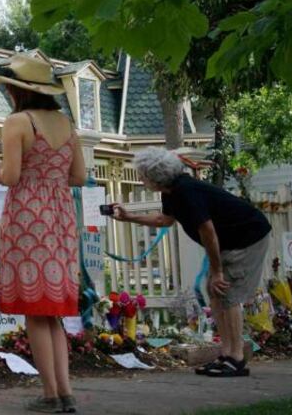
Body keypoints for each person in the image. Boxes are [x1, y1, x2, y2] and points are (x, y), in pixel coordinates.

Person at [112, 147, 271, 378]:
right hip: (231, 240)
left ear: (155, 176)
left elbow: (208, 231)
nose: (140, 179)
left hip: (248, 236)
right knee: (215, 292)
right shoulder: (171, 191)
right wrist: (129, 217)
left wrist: (217, 271)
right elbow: (164, 220)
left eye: (142, 174)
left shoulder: (186, 191)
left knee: (228, 292)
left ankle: (236, 358)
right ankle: (226, 354)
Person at [0, 54, 86, 414]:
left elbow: (12, 176)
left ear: (17, 92)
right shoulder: (66, 123)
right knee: (53, 311)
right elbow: (78, 177)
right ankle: (65, 391)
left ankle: (50, 394)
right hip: (60, 217)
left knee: (35, 310)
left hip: (28, 218)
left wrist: (0, 172)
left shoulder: (18, 122)